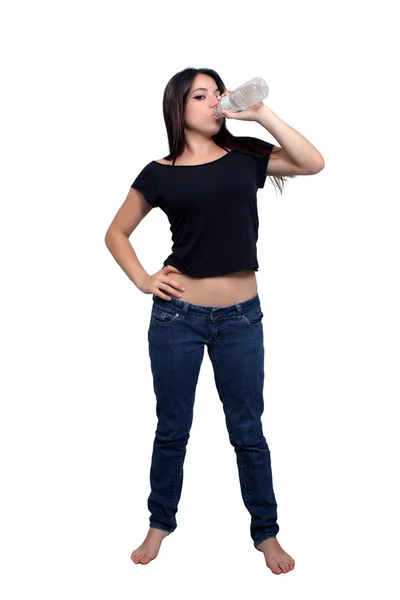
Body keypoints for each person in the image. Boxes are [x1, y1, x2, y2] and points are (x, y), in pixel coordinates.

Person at [104, 67, 324, 573]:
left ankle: (265, 534)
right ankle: (160, 524)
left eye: (217, 94)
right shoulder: (159, 172)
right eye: (200, 96)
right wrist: (143, 279)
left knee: (248, 429)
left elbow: (313, 163)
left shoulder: (245, 156)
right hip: (177, 318)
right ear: (177, 107)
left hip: (242, 319)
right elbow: (116, 233)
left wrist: (260, 112)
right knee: (172, 428)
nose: (213, 102)